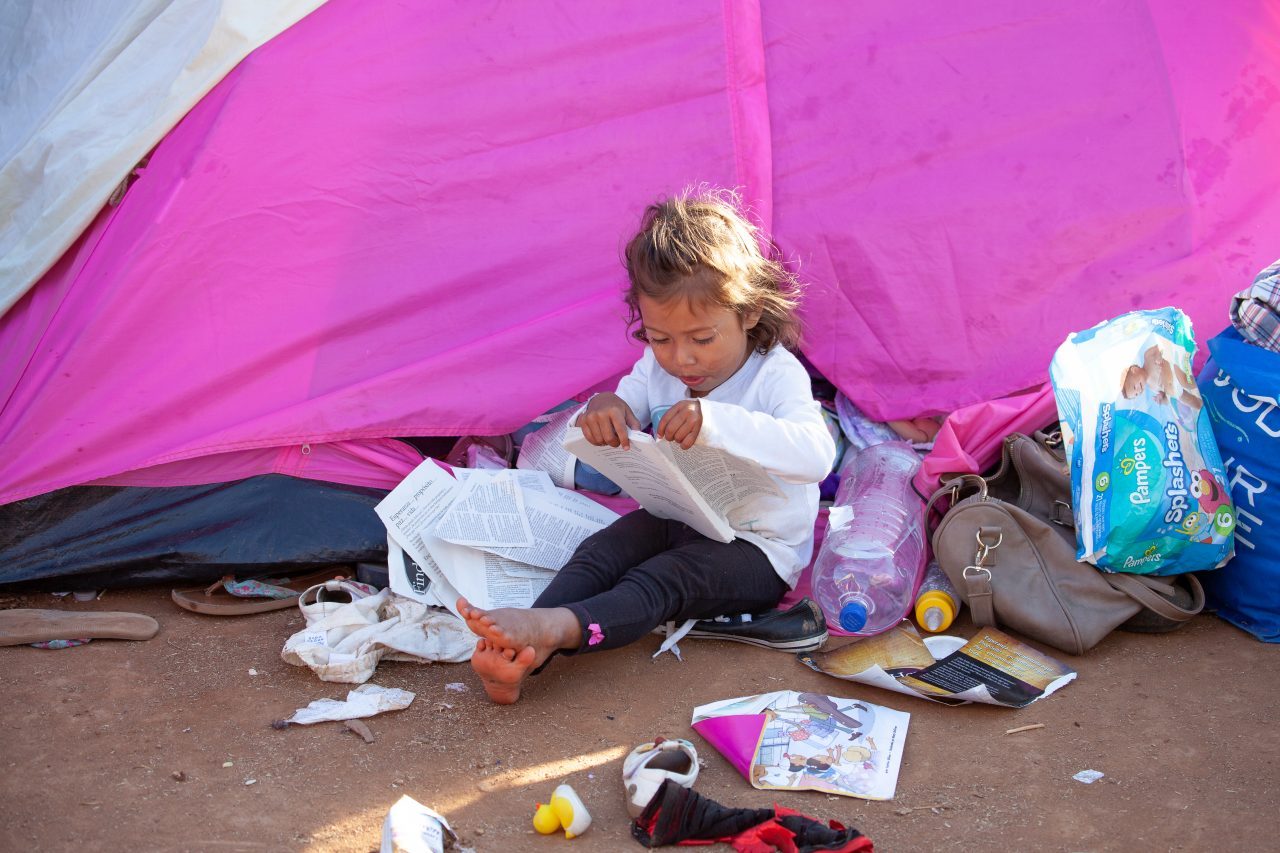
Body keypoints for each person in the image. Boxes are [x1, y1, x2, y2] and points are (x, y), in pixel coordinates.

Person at [459, 188, 837, 703]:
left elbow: (816, 456)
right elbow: (627, 399)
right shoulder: (660, 367)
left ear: (748, 314)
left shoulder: (775, 374)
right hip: (679, 514)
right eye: (660, 339)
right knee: (601, 552)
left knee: (661, 580)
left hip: (757, 551)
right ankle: (522, 646)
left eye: (702, 339)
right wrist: (606, 408)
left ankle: (554, 632)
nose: (681, 358)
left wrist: (719, 422)